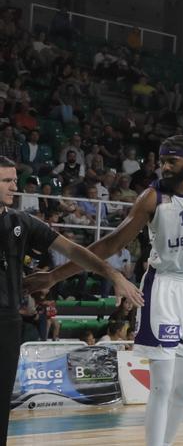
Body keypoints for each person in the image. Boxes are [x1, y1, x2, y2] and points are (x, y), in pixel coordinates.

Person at [28, 136, 183, 446]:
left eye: (172, 161)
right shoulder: (151, 198)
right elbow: (109, 244)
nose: (164, 166)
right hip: (163, 287)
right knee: (162, 383)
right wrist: (53, 276)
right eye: (162, 160)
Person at [10, 164, 144, 442]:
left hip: (7, 318)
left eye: (14, 180)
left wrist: (112, 274)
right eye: (5, 181)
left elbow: (74, 250)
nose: (14, 186)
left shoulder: (21, 222)